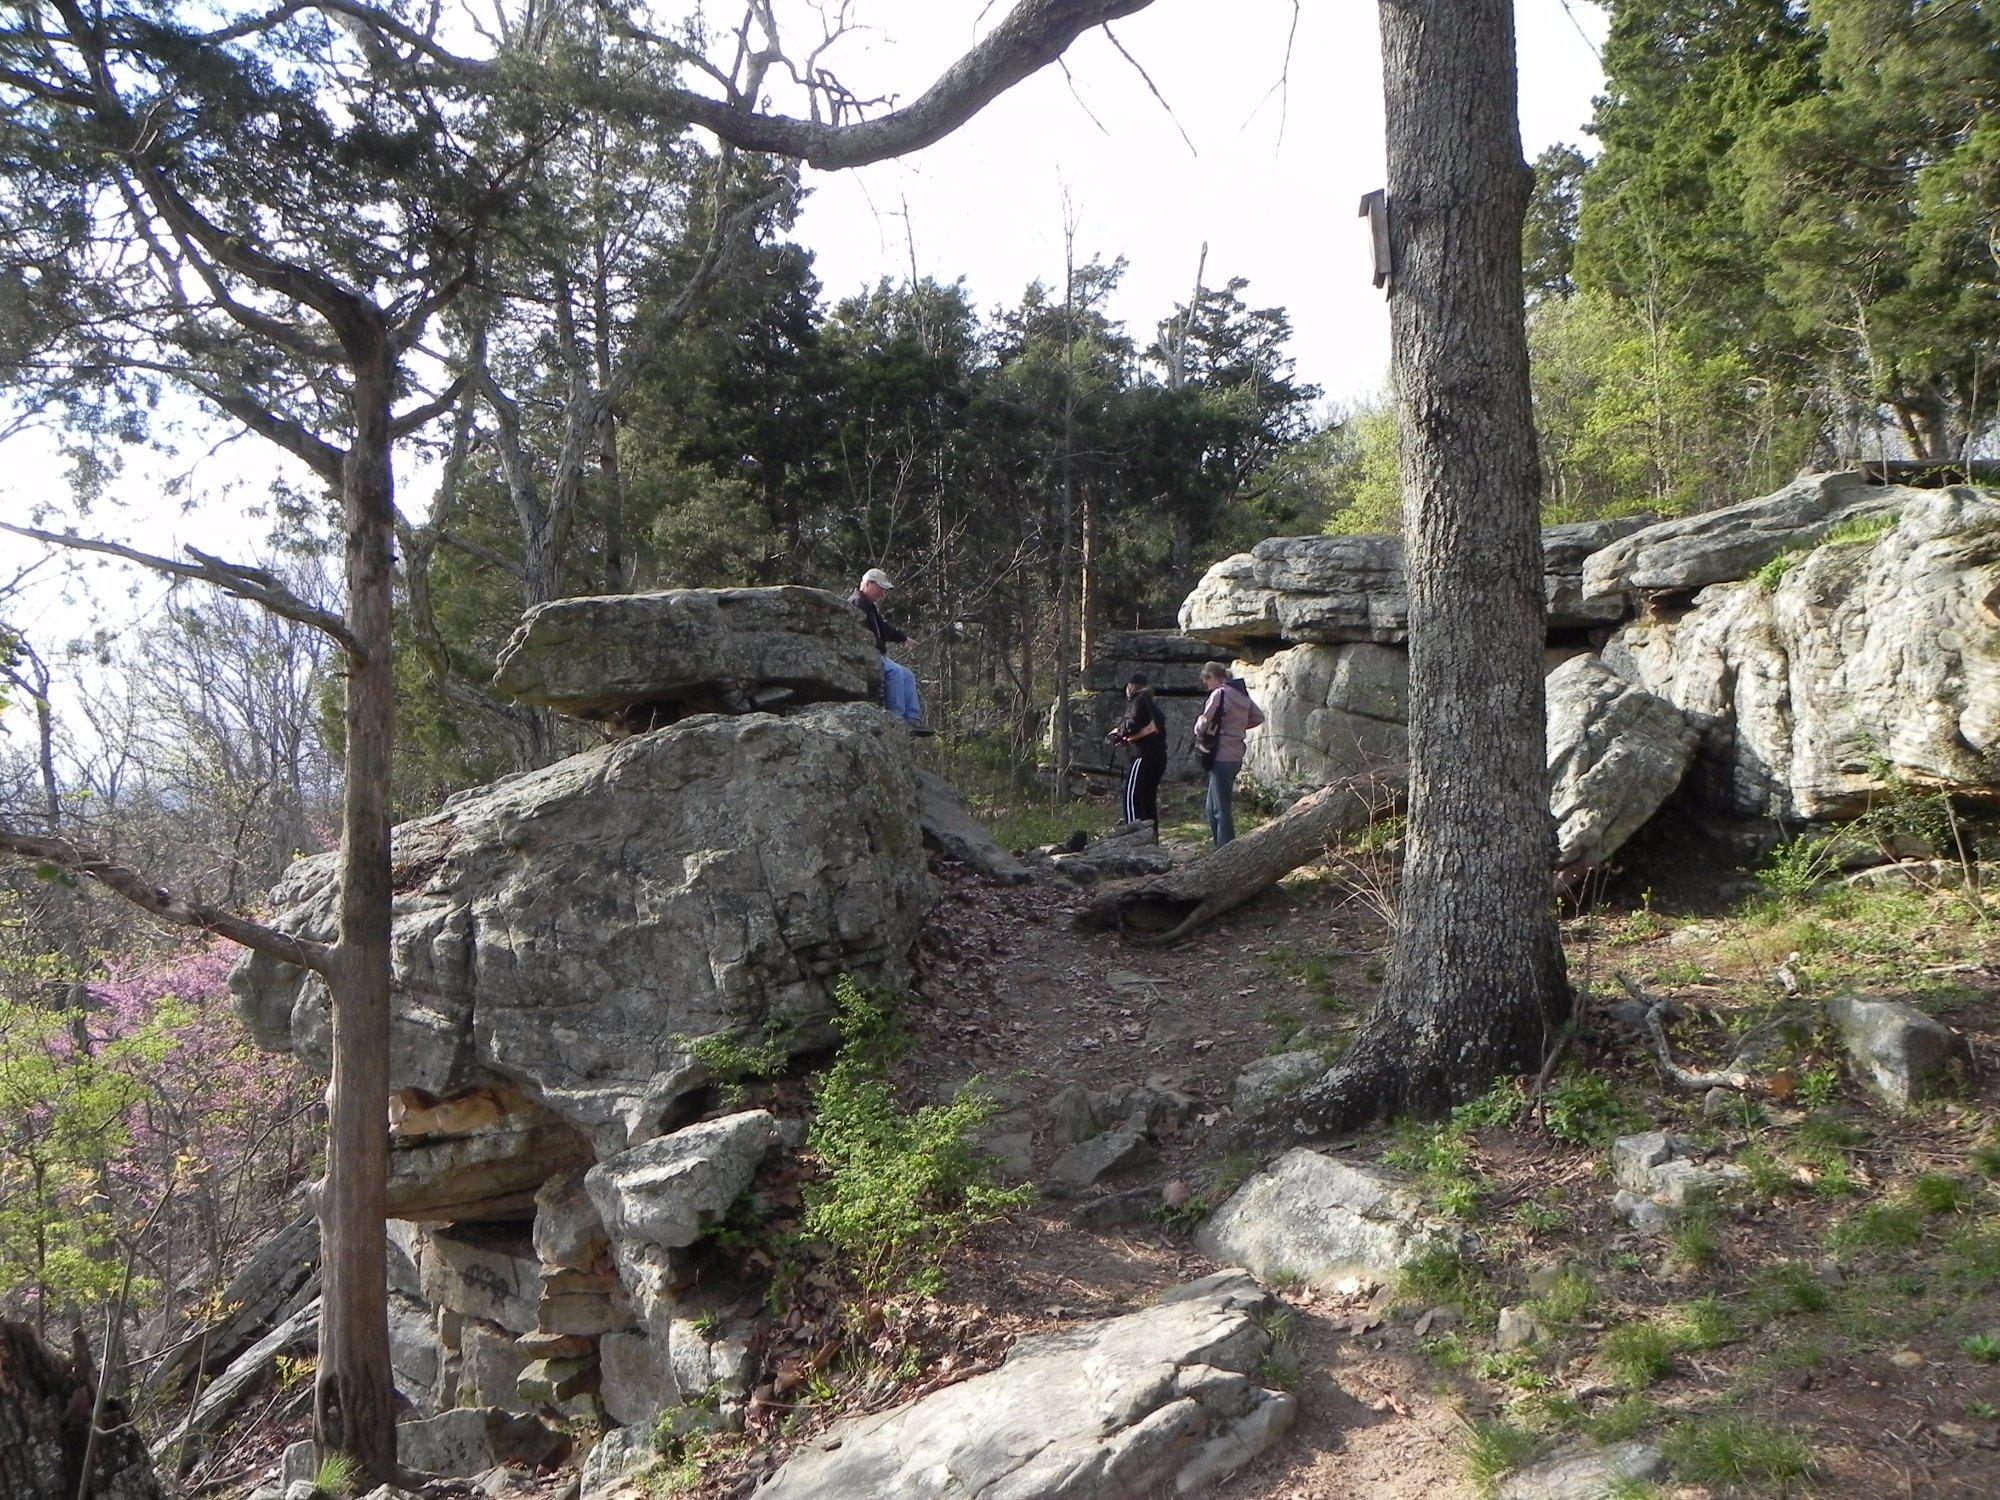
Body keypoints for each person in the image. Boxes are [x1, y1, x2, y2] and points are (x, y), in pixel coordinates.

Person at [1192, 660, 1264, 848]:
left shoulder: (1220, 693)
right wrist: (1238, 727)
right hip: (1236, 755)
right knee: (1211, 807)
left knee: (1221, 808)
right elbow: (1258, 717)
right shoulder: (1241, 694)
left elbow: (1204, 721)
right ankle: (1220, 846)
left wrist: (1202, 729)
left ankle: (1227, 851)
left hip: (1221, 755)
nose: (1206, 685)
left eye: (1207, 680)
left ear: (1213, 677)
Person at [849, 567, 928, 729]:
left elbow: (883, 629)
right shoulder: (857, 603)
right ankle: (897, 720)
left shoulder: (868, 605)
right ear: (868, 584)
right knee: (895, 672)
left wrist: (904, 638)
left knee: (908, 675)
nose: (882, 593)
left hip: (877, 654)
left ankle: (913, 720)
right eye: (879, 588)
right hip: (867, 654)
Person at [1107, 672, 1167, 841]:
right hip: (1157, 756)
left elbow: (1131, 724)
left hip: (1144, 755)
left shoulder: (1139, 700)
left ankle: (1136, 840)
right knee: (1147, 799)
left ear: (1131, 686)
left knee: (1131, 796)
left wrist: (1118, 732)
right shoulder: (1151, 704)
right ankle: (1151, 840)